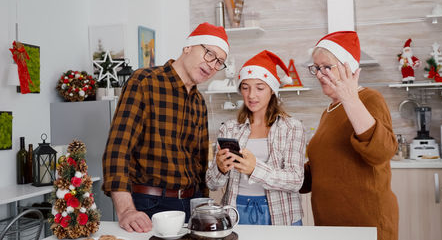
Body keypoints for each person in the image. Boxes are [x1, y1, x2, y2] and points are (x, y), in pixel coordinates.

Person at [102, 22, 229, 233]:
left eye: (219, 62)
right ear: (188, 47)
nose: (212, 65)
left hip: (191, 206)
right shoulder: (144, 82)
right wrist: (125, 210)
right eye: (209, 54)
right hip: (149, 205)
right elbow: (118, 149)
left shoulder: (198, 101)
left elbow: (199, 165)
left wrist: (203, 204)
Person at [300, 31, 398, 240]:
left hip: (365, 223)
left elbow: (381, 152)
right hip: (330, 225)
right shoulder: (329, 111)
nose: (319, 74)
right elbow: (321, 168)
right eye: (316, 68)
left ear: (348, 68)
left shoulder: (369, 98)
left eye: (327, 67)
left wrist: (350, 98)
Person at [206, 50, 306, 226]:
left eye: (260, 87)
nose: (251, 95)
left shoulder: (292, 127)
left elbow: (296, 180)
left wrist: (254, 169)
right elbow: (212, 183)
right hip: (236, 213)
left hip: (281, 214)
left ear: (272, 90)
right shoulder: (229, 128)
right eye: (245, 87)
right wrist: (220, 169)